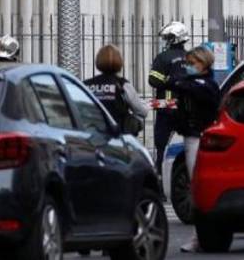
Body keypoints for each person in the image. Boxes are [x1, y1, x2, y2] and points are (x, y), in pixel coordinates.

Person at [167, 46, 221, 253]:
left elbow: (189, 88)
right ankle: (200, 235)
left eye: (193, 64)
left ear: (204, 63)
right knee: (195, 186)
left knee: (198, 187)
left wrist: (182, 81)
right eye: (188, 63)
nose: (189, 67)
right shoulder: (194, 83)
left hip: (199, 137)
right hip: (191, 135)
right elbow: (171, 83)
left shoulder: (206, 85)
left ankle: (201, 236)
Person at [147, 21, 190, 173]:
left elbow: (153, 80)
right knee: (186, 144)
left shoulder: (163, 58)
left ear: (175, 38)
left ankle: (160, 173)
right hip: (186, 108)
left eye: (169, 38)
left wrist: (168, 81)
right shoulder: (191, 57)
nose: (167, 41)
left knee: (162, 144)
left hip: (166, 108)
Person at [84, 45, 147, 134]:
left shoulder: (86, 85)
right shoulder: (122, 84)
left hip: (91, 131)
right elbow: (141, 111)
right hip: (117, 133)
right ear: (120, 62)